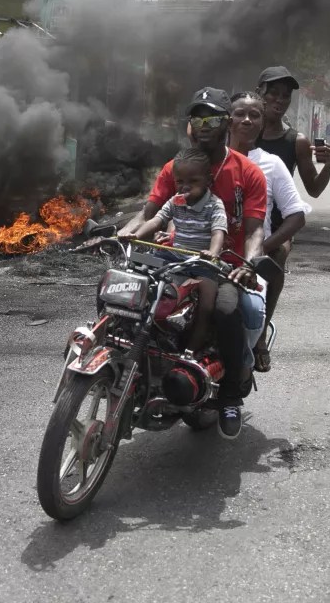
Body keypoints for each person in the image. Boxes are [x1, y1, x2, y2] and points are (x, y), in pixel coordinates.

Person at [119, 87, 267, 440]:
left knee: (227, 309)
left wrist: (247, 263)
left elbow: (254, 229)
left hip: (222, 264)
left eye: (213, 117)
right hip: (176, 257)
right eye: (197, 117)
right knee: (131, 294)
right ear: (190, 125)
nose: (204, 124)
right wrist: (123, 233)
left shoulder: (248, 172)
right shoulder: (176, 168)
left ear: (227, 123)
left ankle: (230, 395)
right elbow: (149, 212)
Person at [228, 91, 310, 373]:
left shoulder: (271, 164)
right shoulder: (208, 159)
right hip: (211, 251)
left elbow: (296, 216)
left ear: (263, 123)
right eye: (240, 114)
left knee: (278, 253)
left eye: (255, 115)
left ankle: (259, 337)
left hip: (250, 253)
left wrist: (261, 249)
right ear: (227, 120)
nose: (247, 120)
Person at [129, 147, 227, 354]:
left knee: (207, 305)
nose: (185, 187)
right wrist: (136, 235)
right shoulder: (175, 201)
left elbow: (218, 232)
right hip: (174, 256)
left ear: (208, 180)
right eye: (180, 181)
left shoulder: (214, 205)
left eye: (193, 181)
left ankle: (192, 349)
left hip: (202, 261)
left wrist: (213, 252)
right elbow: (157, 220)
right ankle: (144, 333)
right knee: (147, 283)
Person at [255, 67, 330, 205]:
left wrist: (329, 165)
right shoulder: (240, 133)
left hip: (280, 224)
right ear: (258, 93)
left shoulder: (298, 142)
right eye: (273, 93)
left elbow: (314, 190)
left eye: (286, 96)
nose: (279, 100)